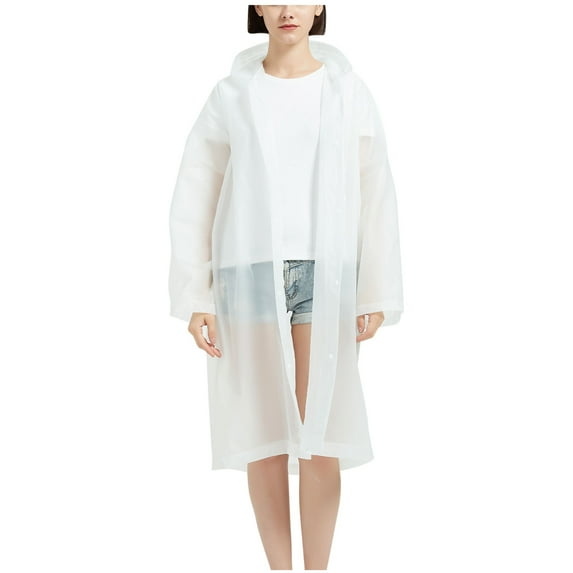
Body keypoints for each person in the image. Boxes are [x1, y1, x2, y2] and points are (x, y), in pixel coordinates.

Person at [168, 4, 403, 570]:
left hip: (326, 272)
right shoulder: (231, 94)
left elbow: (375, 188)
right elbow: (197, 189)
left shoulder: (348, 92)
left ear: (321, 6)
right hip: (247, 273)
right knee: (265, 434)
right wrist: (196, 295)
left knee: (320, 432)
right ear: (255, 6)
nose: (288, 9)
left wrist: (375, 288)